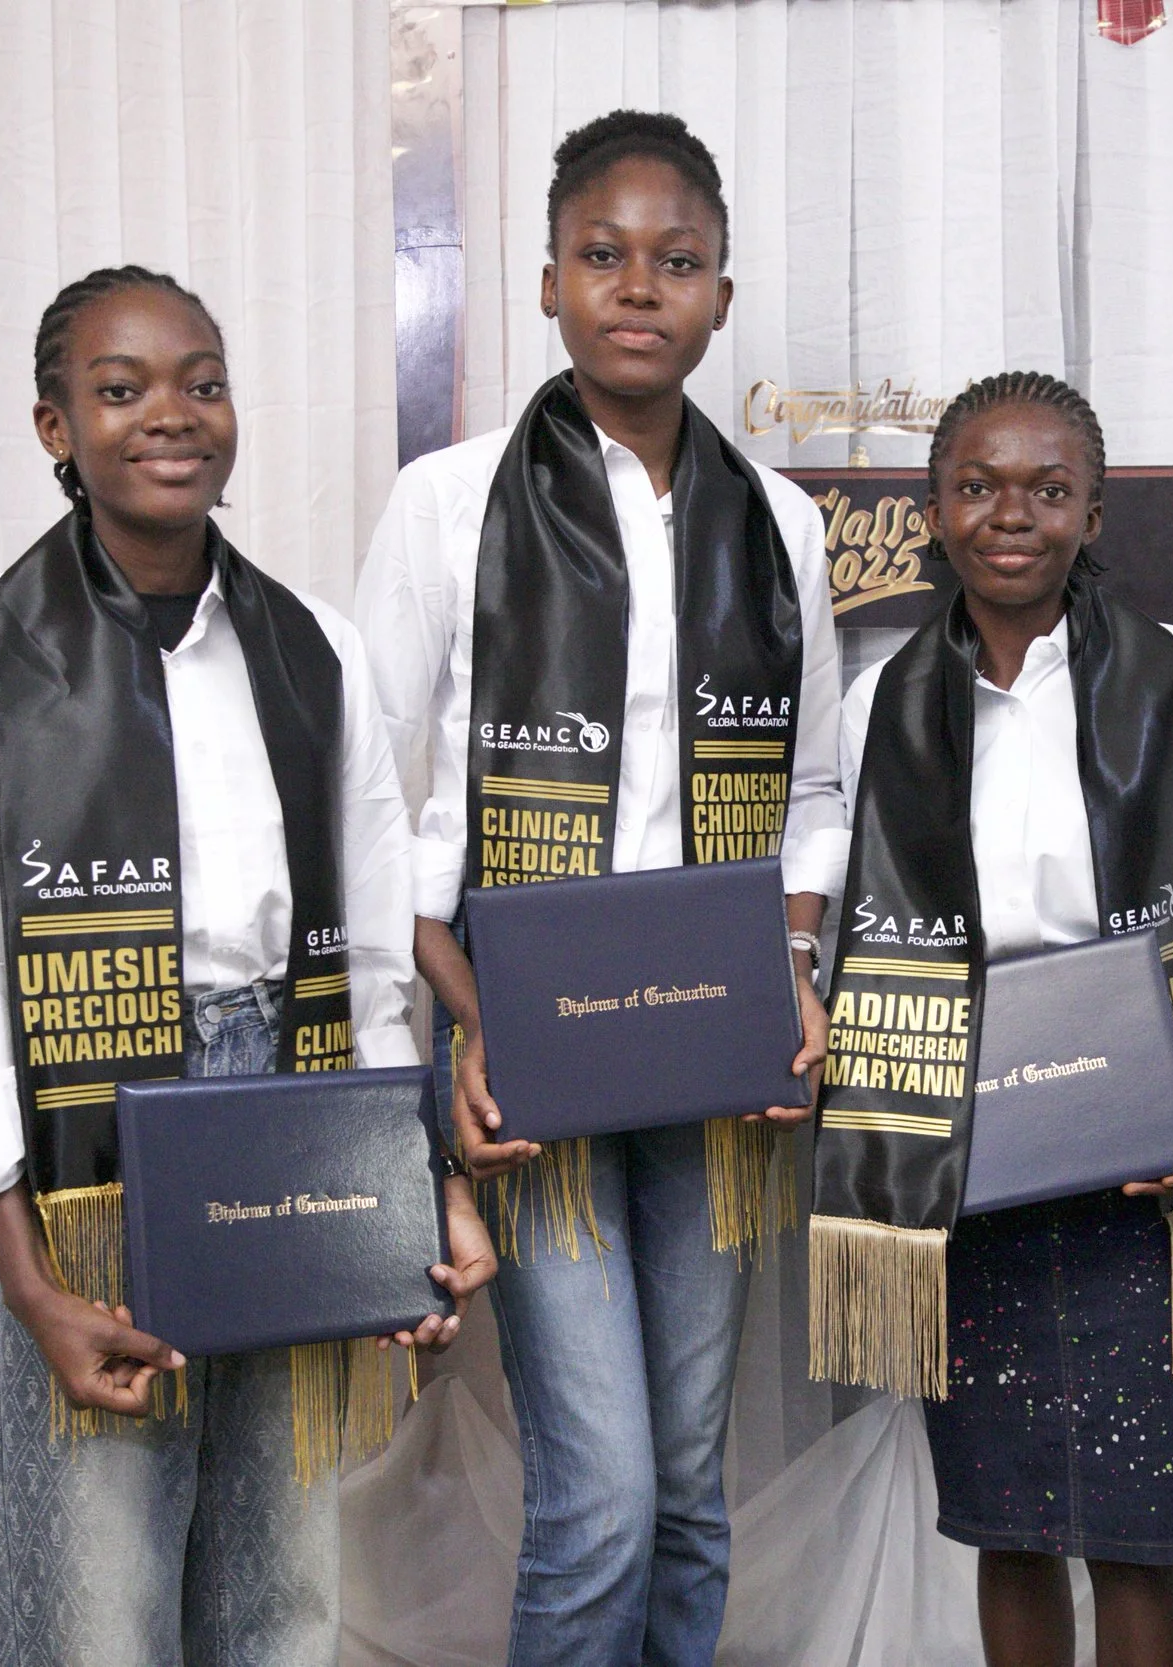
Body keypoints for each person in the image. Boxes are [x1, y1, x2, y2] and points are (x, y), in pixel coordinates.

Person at [0, 265, 494, 1667]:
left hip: (287, 1101)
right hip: (96, 1128)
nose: (171, 415)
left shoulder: (315, 647)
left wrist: (422, 1192)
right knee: (97, 1590)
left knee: (278, 1573)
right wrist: (29, 1278)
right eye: (121, 390)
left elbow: (367, 960)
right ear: (56, 428)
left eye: (202, 384)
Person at [355, 112, 848, 1666]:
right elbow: (372, 807)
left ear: (721, 293)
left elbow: (813, 793)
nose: (640, 287)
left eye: (677, 260)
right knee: (607, 1495)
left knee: (689, 1486)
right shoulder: (449, 506)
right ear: (548, 281)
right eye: (603, 254)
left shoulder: (780, 527)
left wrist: (794, 972)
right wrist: (469, 1022)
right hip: (530, 1045)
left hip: (713, 1050)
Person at [821, 372, 1173, 1667]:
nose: (1009, 514)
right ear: (933, 511)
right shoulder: (879, 704)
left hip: (1136, 1138)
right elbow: (858, 924)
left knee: (1138, 1524)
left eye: (1047, 488)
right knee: (1006, 1516)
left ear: (1093, 512)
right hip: (970, 1144)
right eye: (977, 486)